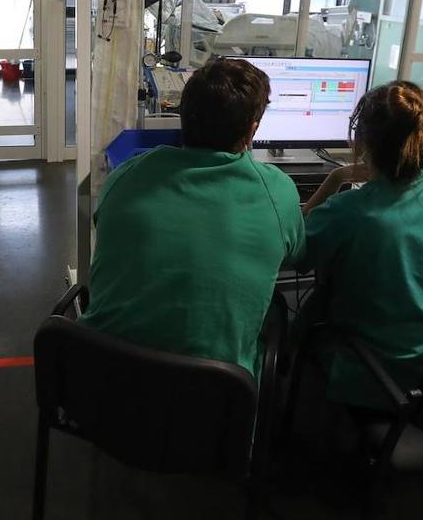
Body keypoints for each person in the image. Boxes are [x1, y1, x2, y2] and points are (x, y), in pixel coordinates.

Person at [79, 58, 305, 375]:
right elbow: (298, 256)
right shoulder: (277, 191)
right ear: (251, 131)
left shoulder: (125, 176)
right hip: (213, 394)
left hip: (97, 377)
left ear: (182, 117)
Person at [296, 81, 423, 409]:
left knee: (308, 316)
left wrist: (334, 179)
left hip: (384, 375)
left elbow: (296, 252)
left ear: (363, 142)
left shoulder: (350, 210)